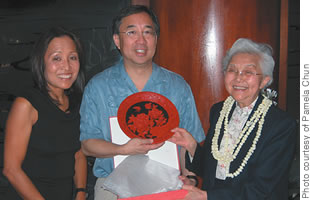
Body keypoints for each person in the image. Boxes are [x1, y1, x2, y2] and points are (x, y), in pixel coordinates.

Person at [79, 5, 205, 200]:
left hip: (169, 185)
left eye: (148, 32)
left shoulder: (178, 86)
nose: (141, 40)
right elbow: (88, 144)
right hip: (113, 186)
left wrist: (189, 176)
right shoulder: (98, 87)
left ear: (156, 39)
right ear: (117, 40)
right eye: (131, 32)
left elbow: (188, 142)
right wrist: (122, 150)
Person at [169, 38, 297, 200]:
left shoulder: (280, 124)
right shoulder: (219, 111)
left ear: (264, 81)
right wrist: (192, 146)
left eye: (248, 72)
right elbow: (213, 168)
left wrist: (207, 196)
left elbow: (262, 187)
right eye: (232, 70)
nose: (238, 78)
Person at [3, 27, 87, 200]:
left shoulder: (77, 103)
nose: (67, 66)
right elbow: (11, 170)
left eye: (72, 57)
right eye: (57, 58)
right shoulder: (26, 104)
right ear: (41, 63)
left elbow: (78, 154)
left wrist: (80, 193)